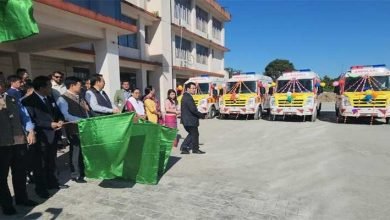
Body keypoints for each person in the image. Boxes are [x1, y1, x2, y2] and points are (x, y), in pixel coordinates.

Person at [22, 76, 67, 199]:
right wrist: (49, 124)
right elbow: (31, 120)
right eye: (49, 86)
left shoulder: (49, 98)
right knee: (39, 165)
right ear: (41, 87)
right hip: (41, 136)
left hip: (53, 135)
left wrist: (61, 120)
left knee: (51, 161)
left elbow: (57, 112)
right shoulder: (28, 101)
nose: (51, 88)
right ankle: (41, 188)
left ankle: (51, 182)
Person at [0, 80, 38, 215]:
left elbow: (25, 116)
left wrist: (30, 130)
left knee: (20, 172)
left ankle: (22, 198)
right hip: (2, 144)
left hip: (18, 141)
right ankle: (6, 204)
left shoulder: (12, 99)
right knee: (1, 177)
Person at [57, 77, 89, 183]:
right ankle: (75, 174)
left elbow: (86, 111)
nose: (81, 87)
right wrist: (81, 121)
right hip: (73, 129)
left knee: (82, 150)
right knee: (76, 151)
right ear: (72, 85)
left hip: (84, 128)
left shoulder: (80, 97)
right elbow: (66, 115)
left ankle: (83, 170)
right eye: (79, 85)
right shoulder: (63, 98)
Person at [180, 82, 205, 154]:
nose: (194, 90)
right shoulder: (188, 97)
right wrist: (202, 115)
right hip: (189, 120)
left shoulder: (186, 96)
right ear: (188, 89)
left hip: (187, 120)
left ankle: (186, 148)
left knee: (193, 134)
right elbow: (193, 110)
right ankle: (193, 149)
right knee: (194, 134)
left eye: (195, 88)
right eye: (193, 88)